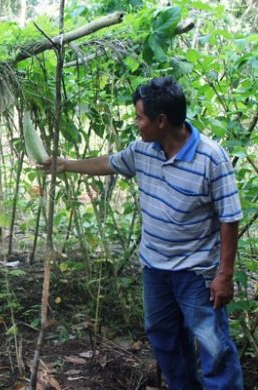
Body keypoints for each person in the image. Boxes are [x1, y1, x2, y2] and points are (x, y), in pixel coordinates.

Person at [40, 76, 244, 389]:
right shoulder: (143, 151)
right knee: (164, 338)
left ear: (161, 121)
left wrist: (224, 275)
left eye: (139, 117)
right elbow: (108, 163)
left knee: (214, 347)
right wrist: (66, 164)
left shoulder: (210, 158)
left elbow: (230, 217)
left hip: (196, 273)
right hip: (155, 269)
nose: (136, 124)